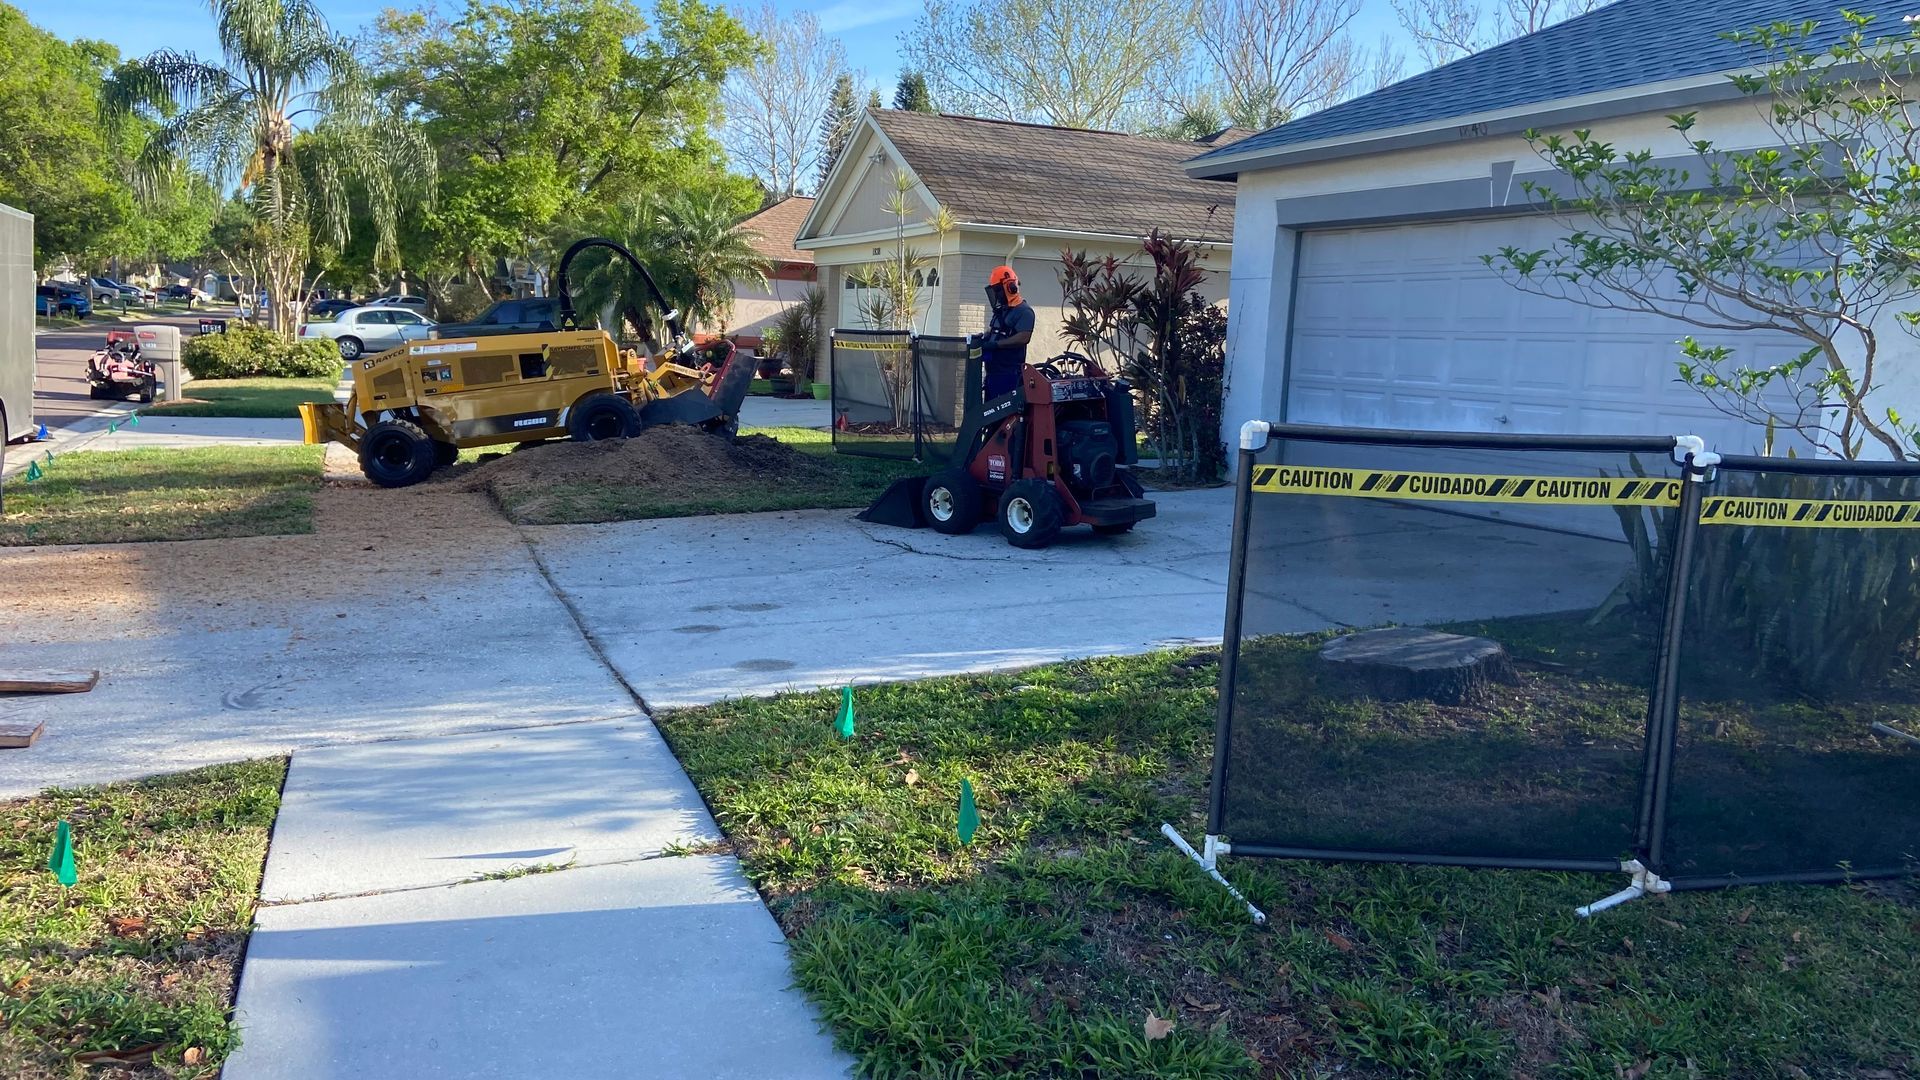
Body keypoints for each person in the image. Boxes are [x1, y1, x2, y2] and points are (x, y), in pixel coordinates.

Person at [978, 265, 1034, 398]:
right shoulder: (1001, 311)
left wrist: (997, 345)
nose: (996, 294)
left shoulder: (1024, 311)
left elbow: (1024, 337)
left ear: (1010, 287)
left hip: (1009, 375)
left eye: (998, 290)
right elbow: (994, 331)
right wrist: (984, 339)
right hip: (993, 374)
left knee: (1005, 416)